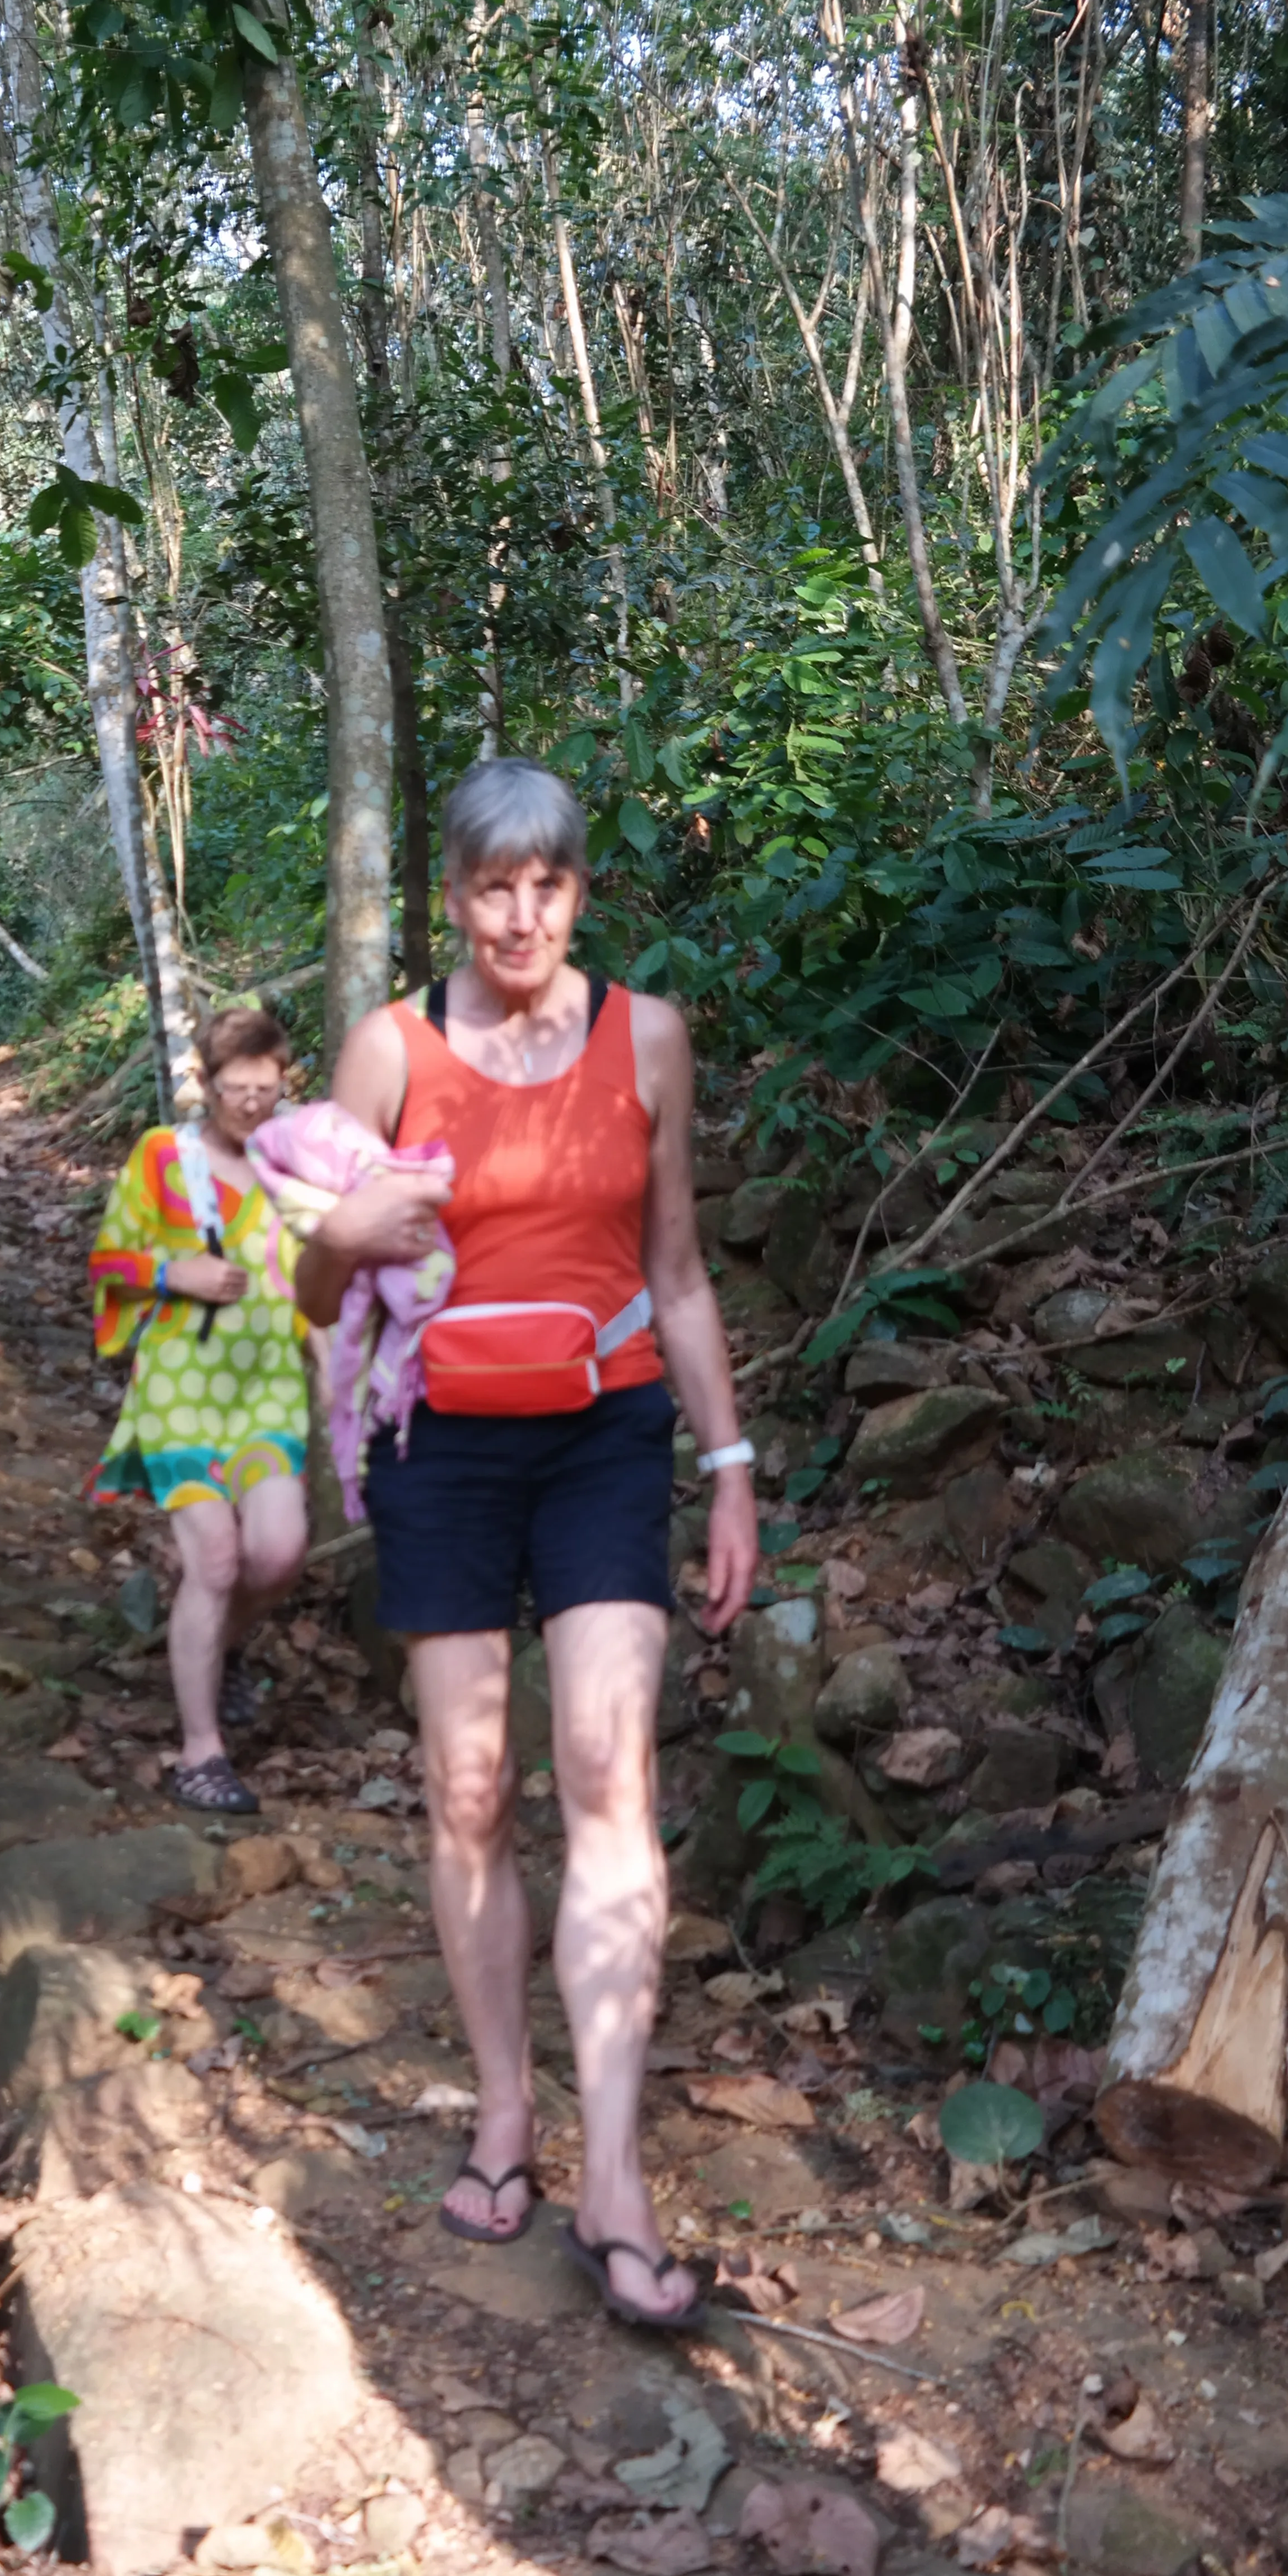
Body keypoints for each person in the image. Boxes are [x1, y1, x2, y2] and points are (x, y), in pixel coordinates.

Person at [294, 758, 758, 2328]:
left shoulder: (652, 1039)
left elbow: (679, 1271)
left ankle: (612, 2175)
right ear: (455, 897)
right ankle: (506, 2108)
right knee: (473, 1785)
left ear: (578, 889)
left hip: (604, 1431)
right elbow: (319, 1288)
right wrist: (328, 1244)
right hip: (439, 1443)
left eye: (547, 884)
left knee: (607, 1767)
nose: (521, 913)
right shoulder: (389, 1052)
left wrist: (737, 1466)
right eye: (493, 887)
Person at [89, 1006, 311, 1814]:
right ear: (206, 1084)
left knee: (280, 1554)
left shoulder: (299, 1167)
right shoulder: (163, 1158)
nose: (252, 1104)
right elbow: (106, 1259)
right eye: (236, 1088)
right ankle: (201, 1752)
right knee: (215, 1558)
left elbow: (321, 1279)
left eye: (267, 1089)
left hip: (269, 1389)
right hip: (181, 1388)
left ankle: (220, 1649)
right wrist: (169, 1274)